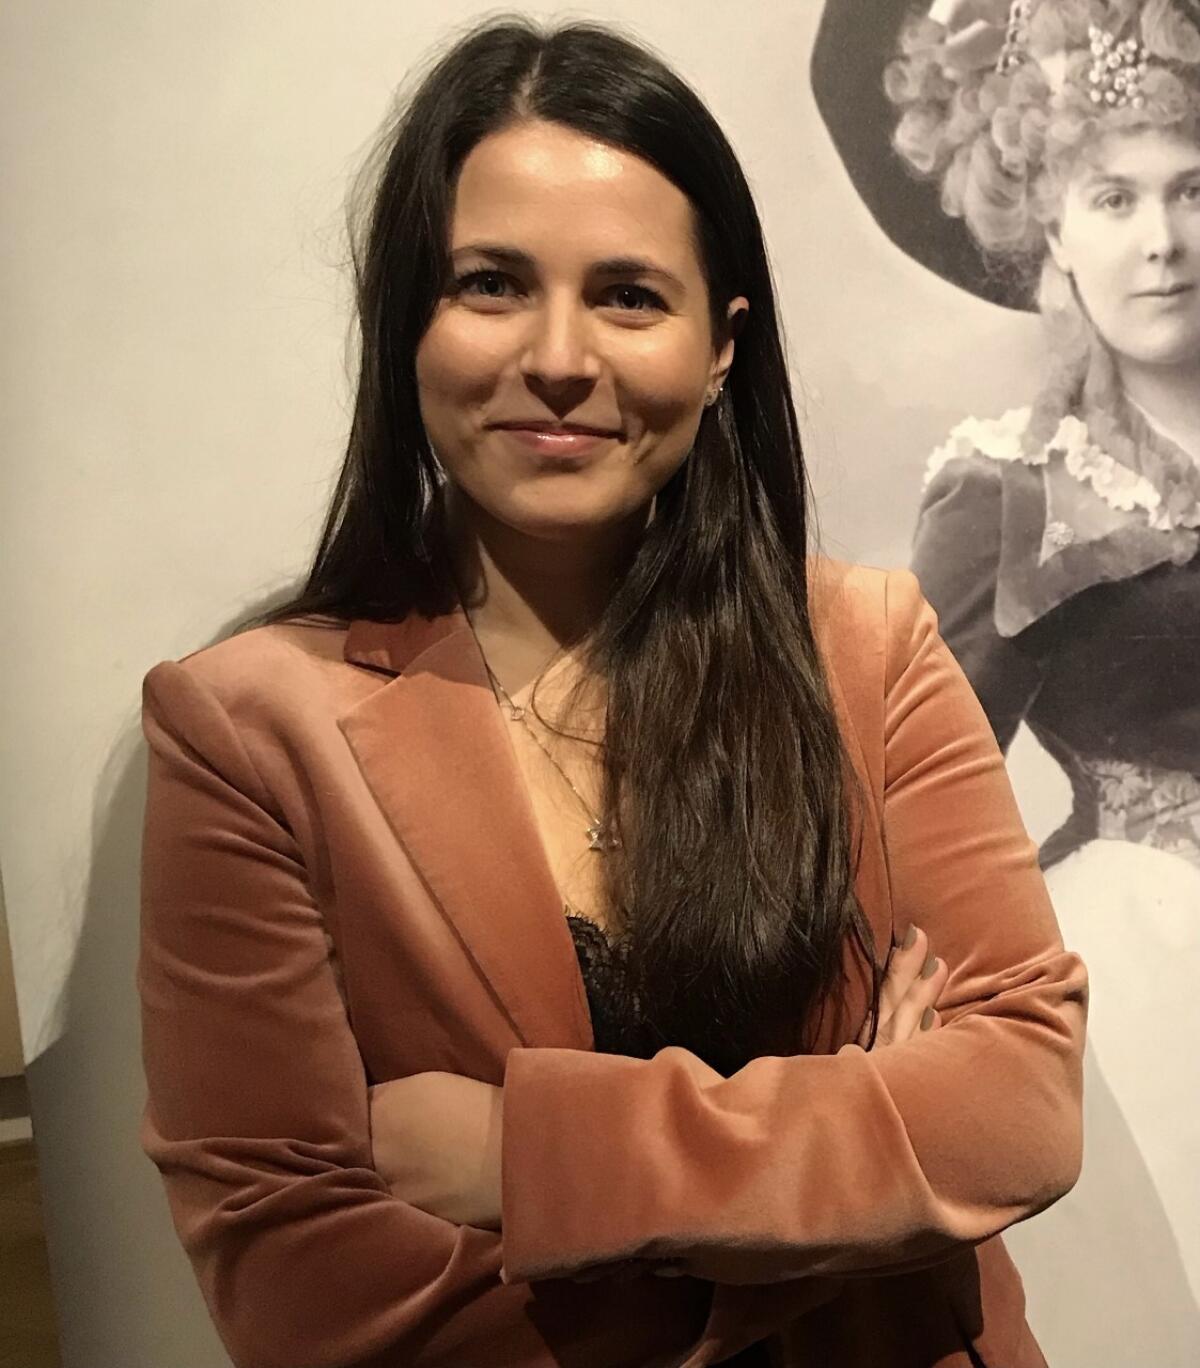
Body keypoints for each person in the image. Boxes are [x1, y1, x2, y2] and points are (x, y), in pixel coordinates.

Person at [137, 15, 1085, 1368]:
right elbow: (306, 1292)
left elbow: (1018, 1111)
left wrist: (532, 1157)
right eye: (492, 284)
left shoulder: (867, 651)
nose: (562, 356)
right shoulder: (246, 733)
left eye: (630, 295)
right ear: (408, 321)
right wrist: (858, 1182)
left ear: (719, 346)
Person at [814, 0, 1200, 1362]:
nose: (1163, 240)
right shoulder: (1010, 485)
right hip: (1162, 974)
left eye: (1193, 187)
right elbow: (910, 791)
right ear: (1052, 228)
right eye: (1115, 196)